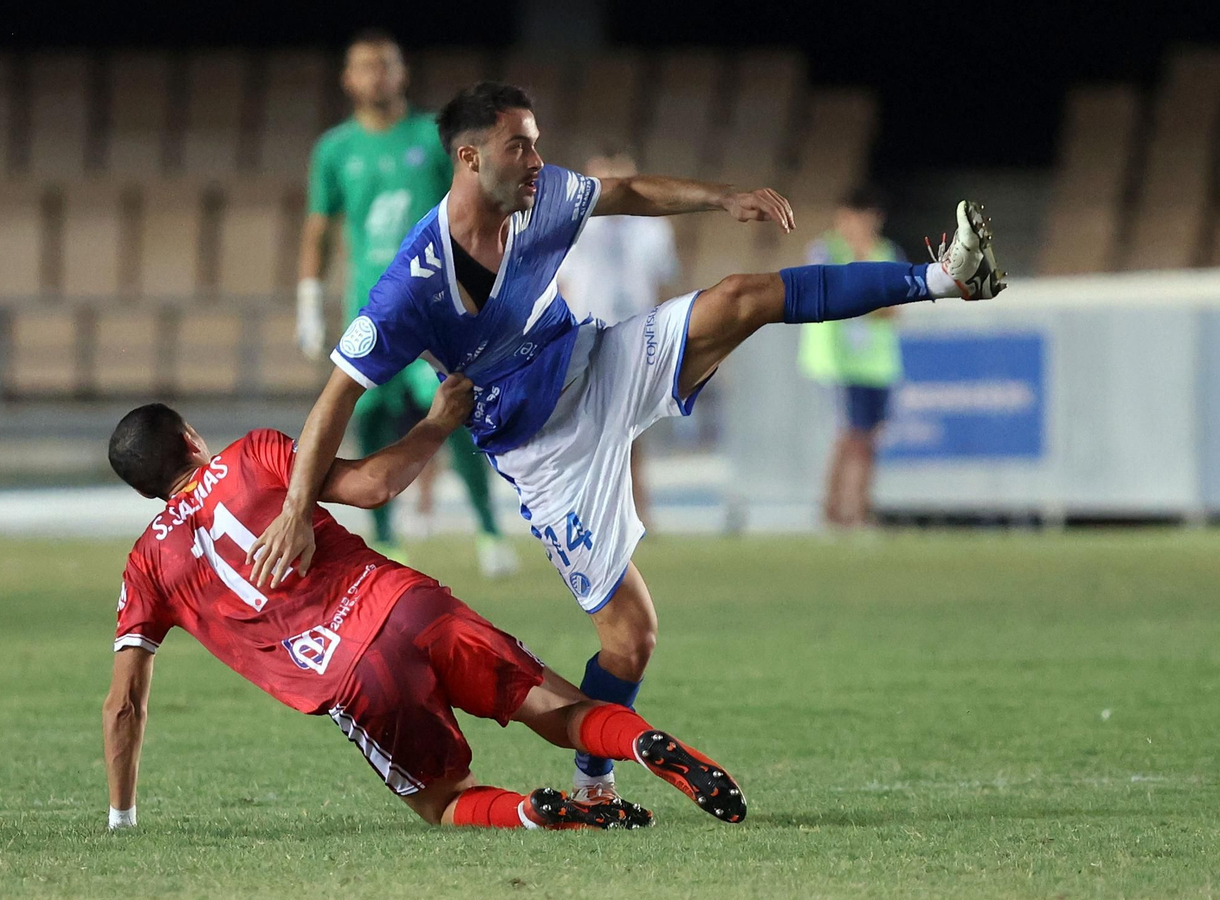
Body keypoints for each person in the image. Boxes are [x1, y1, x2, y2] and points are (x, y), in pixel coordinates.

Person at [250, 82, 1007, 809]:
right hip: (543, 452)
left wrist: (722, 196)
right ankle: (592, 780)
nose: (538, 161)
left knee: (743, 297)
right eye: (520, 147)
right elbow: (336, 396)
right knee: (632, 640)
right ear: (471, 159)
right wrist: (292, 511)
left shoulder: (542, 197)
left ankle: (944, 277)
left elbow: (628, 193)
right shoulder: (412, 285)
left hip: (595, 364)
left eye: (538, 144)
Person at [101, 375, 746, 831]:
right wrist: (439, 419)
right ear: (190, 439)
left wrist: (121, 818)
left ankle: (539, 814)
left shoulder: (145, 567)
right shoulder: (254, 455)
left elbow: (124, 704)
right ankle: (645, 742)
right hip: (406, 603)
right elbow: (376, 486)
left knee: (442, 803)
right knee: (564, 710)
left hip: (352, 676)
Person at [295, 30, 518, 577]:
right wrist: (308, 299)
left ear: (402, 74)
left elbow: (474, 208)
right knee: (367, 417)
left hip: (436, 308)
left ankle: (489, 531)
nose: (377, 75)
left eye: (386, 65)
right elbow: (319, 229)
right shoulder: (335, 149)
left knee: (455, 411)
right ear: (348, 80)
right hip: (368, 311)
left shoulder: (431, 137)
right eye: (365, 66)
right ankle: (385, 538)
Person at [557, 143, 682, 530]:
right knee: (583, 433)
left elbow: (662, 285)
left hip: (637, 338)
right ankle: (578, 518)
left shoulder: (653, 228)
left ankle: (639, 513)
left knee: (632, 433)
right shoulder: (571, 225)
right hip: (582, 339)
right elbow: (558, 286)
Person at [799, 187, 905, 529]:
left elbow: (896, 308)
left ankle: (858, 509)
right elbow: (823, 296)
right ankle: (837, 512)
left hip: (878, 363)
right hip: (836, 362)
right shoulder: (826, 251)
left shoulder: (887, 252)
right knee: (850, 436)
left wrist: (866, 301)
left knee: (868, 438)